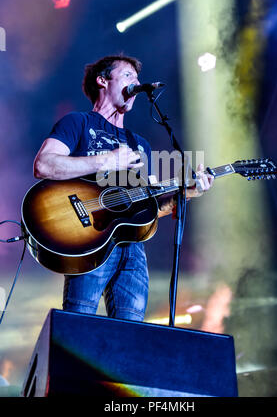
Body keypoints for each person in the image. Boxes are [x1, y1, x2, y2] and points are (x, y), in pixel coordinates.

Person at [33, 54, 214, 322]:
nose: (137, 84)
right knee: (79, 325)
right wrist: (106, 160)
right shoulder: (78, 122)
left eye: (139, 80)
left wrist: (186, 193)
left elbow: (147, 207)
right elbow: (44, 165)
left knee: (130, 336)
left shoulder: (139, 143)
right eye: (128, 76)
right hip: (90, 239)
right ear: (103, 80)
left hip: (133, 250)